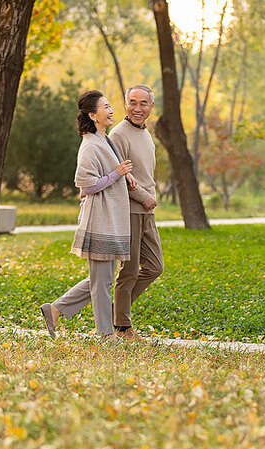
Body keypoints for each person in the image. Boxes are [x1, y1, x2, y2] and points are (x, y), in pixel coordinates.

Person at [40, 90, 134, 341]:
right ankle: (106, 335)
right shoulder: (90, 145)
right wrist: (116, 174)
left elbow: (116, 170)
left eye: (110, 105)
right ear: (93, 115)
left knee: (101, 279)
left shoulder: (104, 140)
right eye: (105, 106)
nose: (111, 109)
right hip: (99, 219)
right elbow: (86, 185)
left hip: (111, 218)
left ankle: (56, 309)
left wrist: (125, 175)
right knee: (102, 282)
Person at [109, 85, 164, 340]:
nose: (137, 108)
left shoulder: (146, 135)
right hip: (129, 209)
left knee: (154, 267)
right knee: (128, 271)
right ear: (125, 103)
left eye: (143, 103)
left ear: (151, 106)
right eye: (132, 102)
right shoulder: (118, 134)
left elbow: (143, 174)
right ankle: (122, 327)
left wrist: (150, 199)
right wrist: (145, 197)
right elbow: (120, 177)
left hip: (147, 211)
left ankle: (116, 312)